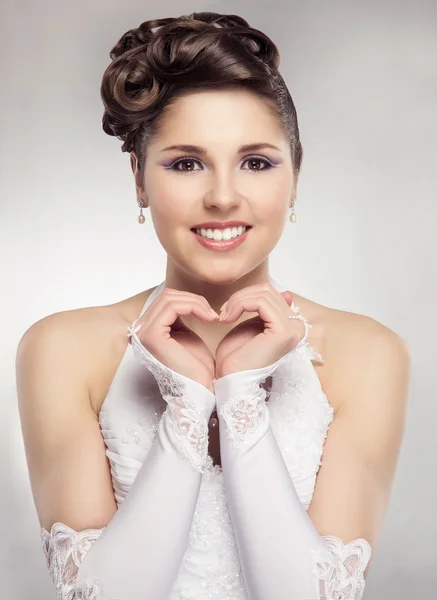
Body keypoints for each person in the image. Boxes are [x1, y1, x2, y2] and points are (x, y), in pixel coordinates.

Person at [16, 11, 411, 600]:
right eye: (186, 163)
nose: (223, 196)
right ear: (140, 180)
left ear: (295, 177)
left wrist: (242, 393)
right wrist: (186, 408)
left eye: (256, 162)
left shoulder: (368, 354)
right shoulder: (62, 349)